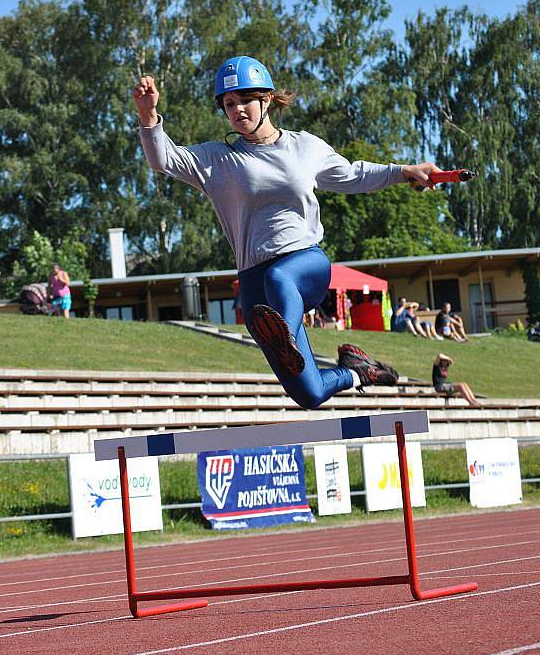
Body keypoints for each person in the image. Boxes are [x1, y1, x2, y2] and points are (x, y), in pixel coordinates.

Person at [133, 55, 441, 409]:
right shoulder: (217, 159)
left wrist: (404, 171)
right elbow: (163, 160)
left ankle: (285, 338)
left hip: (303, 265)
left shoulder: (304, 147)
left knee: (279, 278)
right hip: (254, 282)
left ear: (267, 99)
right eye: (229, 104)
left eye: (246, 100)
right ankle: (360, 372)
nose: (237, 111)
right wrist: (148, 116)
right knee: (308, 394)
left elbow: (354, 175)